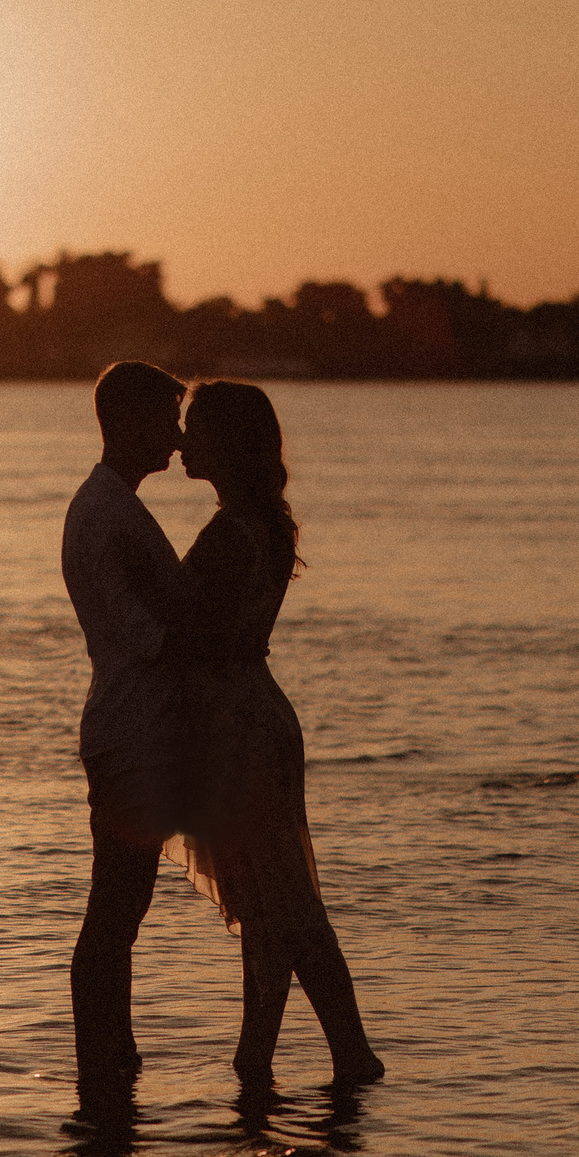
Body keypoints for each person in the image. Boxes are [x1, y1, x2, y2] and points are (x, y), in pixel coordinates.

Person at [164, 380, 383, 1084]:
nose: (181, 440)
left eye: (195, 429)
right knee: (282, 901)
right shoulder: (266, 526)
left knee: (274, 903)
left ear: (226, 442)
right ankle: (297, 1052)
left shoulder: (228, 536)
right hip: (260, 711)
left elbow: (189, 635)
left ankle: (290, 1055)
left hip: (235, 727)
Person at [60, 360, 193, 1088]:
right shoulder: (107, 514)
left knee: (122, 904)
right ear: (132, 421)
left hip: (131, 730)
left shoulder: (107, 505)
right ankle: (103, 1058)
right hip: (129, 734)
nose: (176, 439)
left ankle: (114, 1054)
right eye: (167, 421)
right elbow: (146, 632)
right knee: (116, 904)